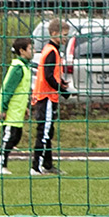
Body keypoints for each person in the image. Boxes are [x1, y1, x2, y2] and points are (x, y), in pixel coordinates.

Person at [29, 19, 69, 176]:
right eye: (64, 35)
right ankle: (36, 167)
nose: (66, 38)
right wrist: (62, 90)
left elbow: (53, 74)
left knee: (48, 131)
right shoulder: (51, 51)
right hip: (45, 97)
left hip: (47, 97)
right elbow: (48, 76)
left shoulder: (52, 49)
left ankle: (47, 164)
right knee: (44, 132)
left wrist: (62, 82)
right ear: (54, 34)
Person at [0, 36, 34, 175]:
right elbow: (7, 89)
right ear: (22, 51)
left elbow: (21, 90)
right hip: (10, 111)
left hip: (17, 110)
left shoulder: (24, 67)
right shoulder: (17, 68)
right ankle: (1, 165)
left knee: (16, 137)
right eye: (30, 48)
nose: (32, 51)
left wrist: (25, 107)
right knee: (9, 137)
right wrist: (2, 108)